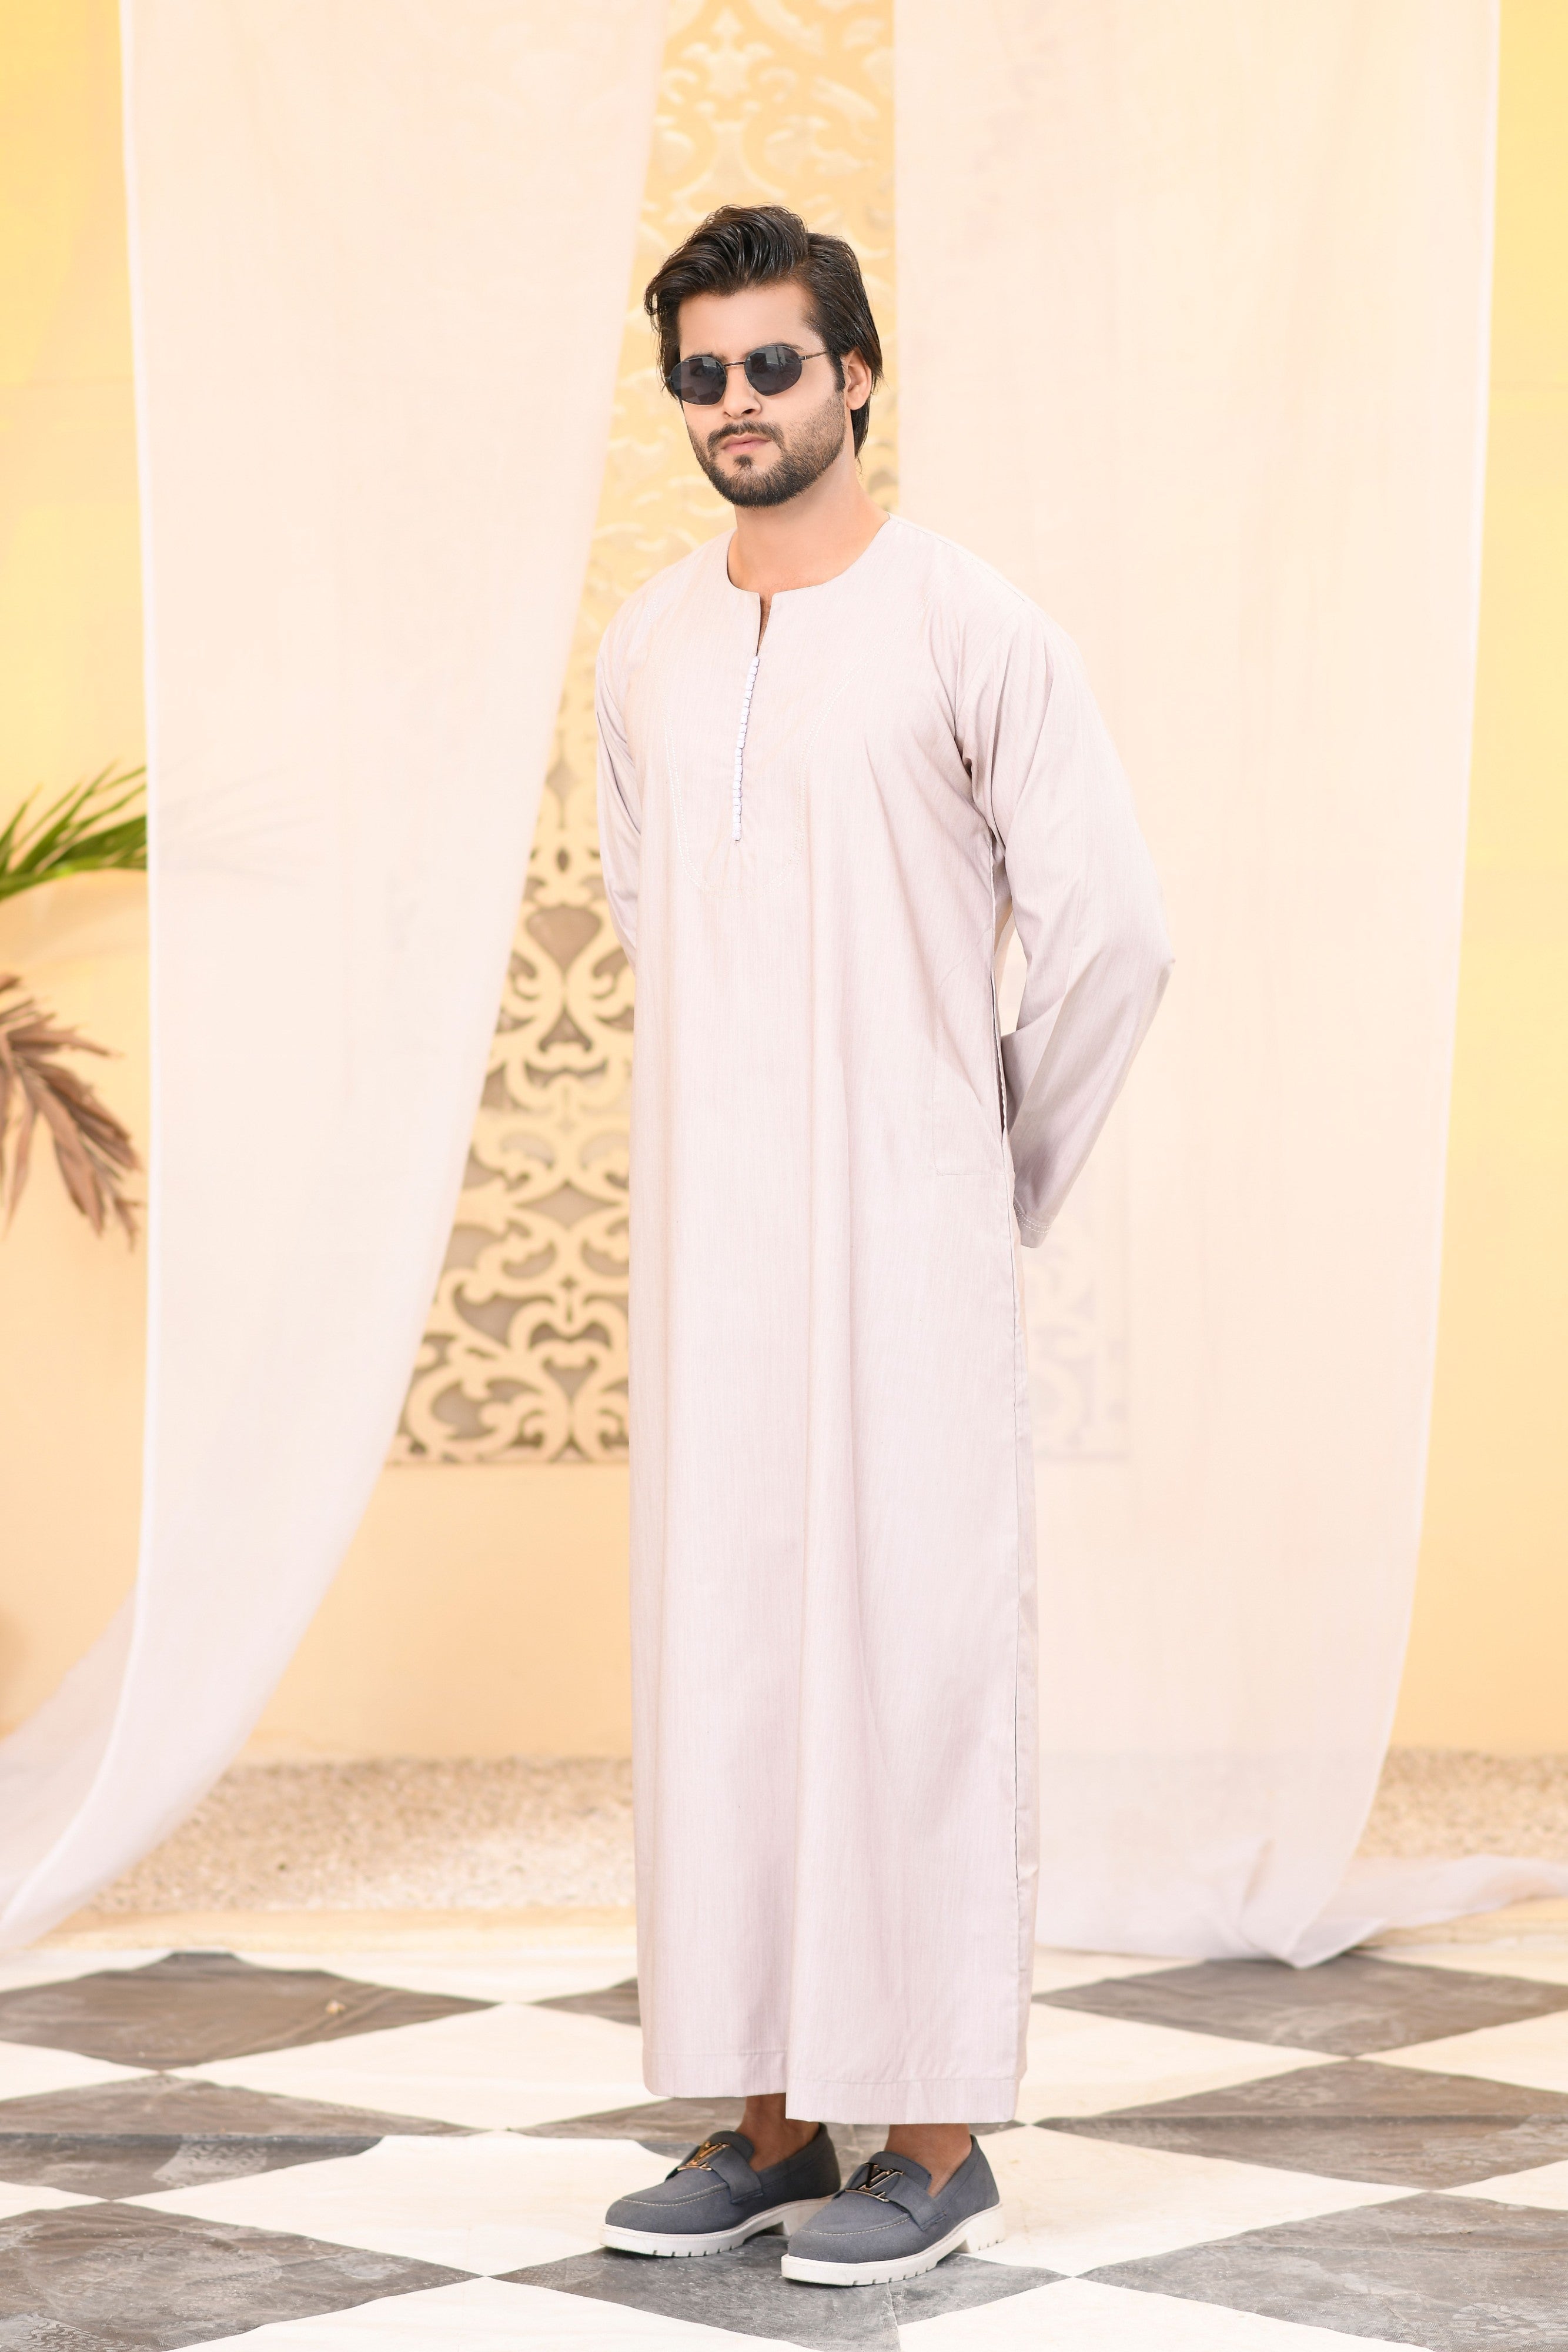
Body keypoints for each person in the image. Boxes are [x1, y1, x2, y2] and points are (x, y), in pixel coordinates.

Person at [595, 204, 1171, 2288]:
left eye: (774, 364)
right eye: (702, 375)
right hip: (713, 1246)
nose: (737, 403)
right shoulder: (647, 647)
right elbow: (656, 914)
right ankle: (765, 2123)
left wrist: (976, 1165)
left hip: (904, 1240)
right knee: (728, 1657)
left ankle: (931, 2141)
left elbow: (1114, 933)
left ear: (853, 373)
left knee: (906, 1659)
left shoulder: (967, 627)